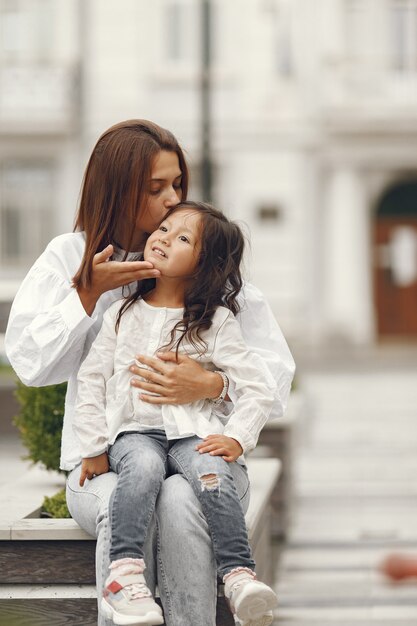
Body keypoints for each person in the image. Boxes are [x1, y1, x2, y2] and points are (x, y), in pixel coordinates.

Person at [5, 119, 295, 626]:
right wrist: (87, 294)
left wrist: (211, 384)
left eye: (178, 184)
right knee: (127, 493)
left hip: (202, 460)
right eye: (155, 187)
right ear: (116, 189)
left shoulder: (202, 256)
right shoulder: (70, 257)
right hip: (106, 467)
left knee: (183, 497)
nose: (171, 199)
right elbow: (30, 365)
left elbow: (274, 372)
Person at [73, 201, 279, 626]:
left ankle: (240, 578)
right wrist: (94, 446)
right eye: (164, 228)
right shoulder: (121, 313)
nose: (163, 237)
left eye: (182, 238)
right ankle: (125, 578)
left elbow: (258, 386)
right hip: (135, 433)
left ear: (204, 264)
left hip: (191, 433)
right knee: (143, 468)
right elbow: (92, 381)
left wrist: (237, 437)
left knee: (212, 473)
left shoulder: (215, 322)